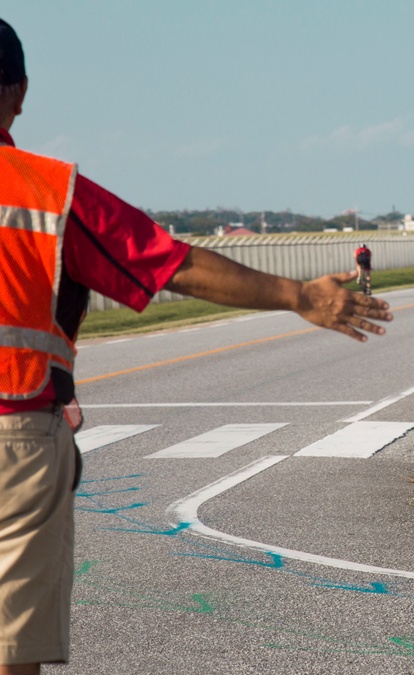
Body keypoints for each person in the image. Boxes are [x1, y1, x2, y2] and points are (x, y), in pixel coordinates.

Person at [0, 19, 392, 674]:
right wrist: (300, 296)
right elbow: (169, 264)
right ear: (20, 91)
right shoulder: (46, 192)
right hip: (14, 435)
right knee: (11, 647)